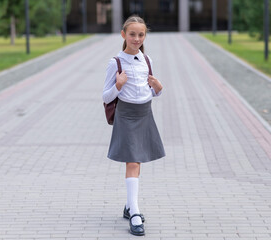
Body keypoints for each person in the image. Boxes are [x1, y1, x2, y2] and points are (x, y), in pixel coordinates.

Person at [102, 15, 165, 236]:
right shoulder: (116, 62)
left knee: (137, 162)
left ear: (144, 36)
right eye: (132, 34)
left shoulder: (147, 60)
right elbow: (106, 96)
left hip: (144, 113)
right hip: (126, 115)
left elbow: (151, 93)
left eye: (141, 34)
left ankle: (129, 206)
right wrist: (118, 85)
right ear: (123, 35)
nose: (136, 38)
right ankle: (135, 212)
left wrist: (158, 88)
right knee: (133, 161)